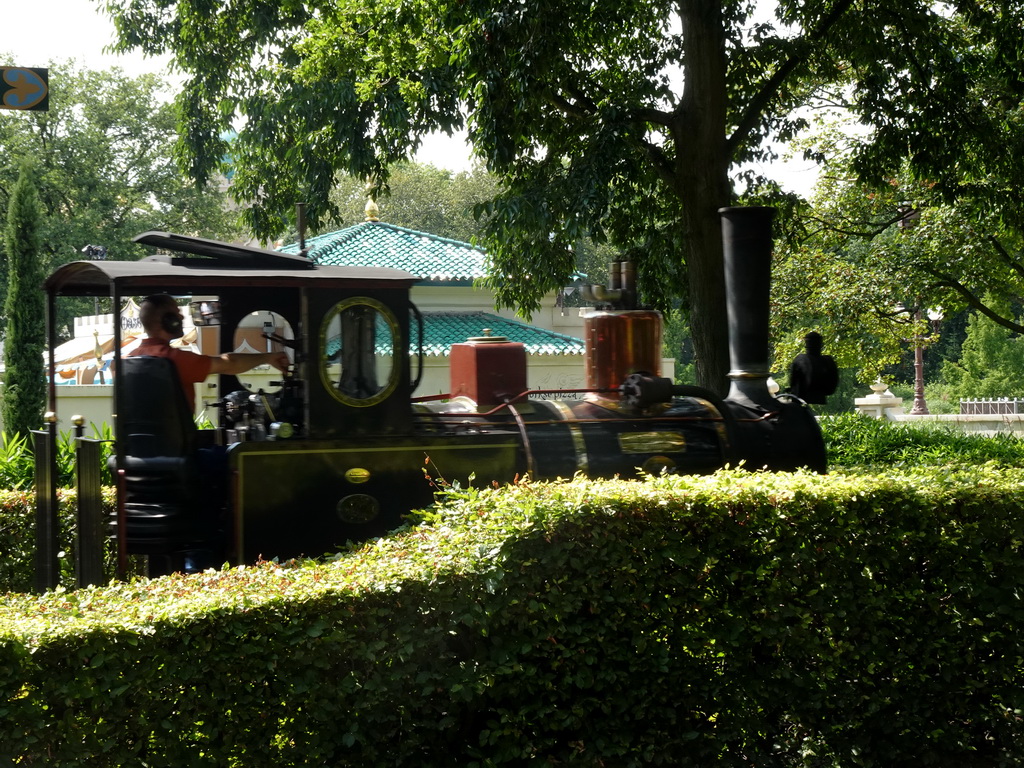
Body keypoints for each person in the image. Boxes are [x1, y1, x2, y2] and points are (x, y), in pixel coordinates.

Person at [128, 293, 290, 412]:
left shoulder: (128, 360)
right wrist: (268, 357)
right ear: (169, 321)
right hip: (177, 448)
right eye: (177, 313)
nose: (182, 317)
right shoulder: (172, 360)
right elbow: (229, 363)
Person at [788, 331, 839, 405]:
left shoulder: (801, 360)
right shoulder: (828, 361)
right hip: (818, 397)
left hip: (803, 399)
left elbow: (793, 382)